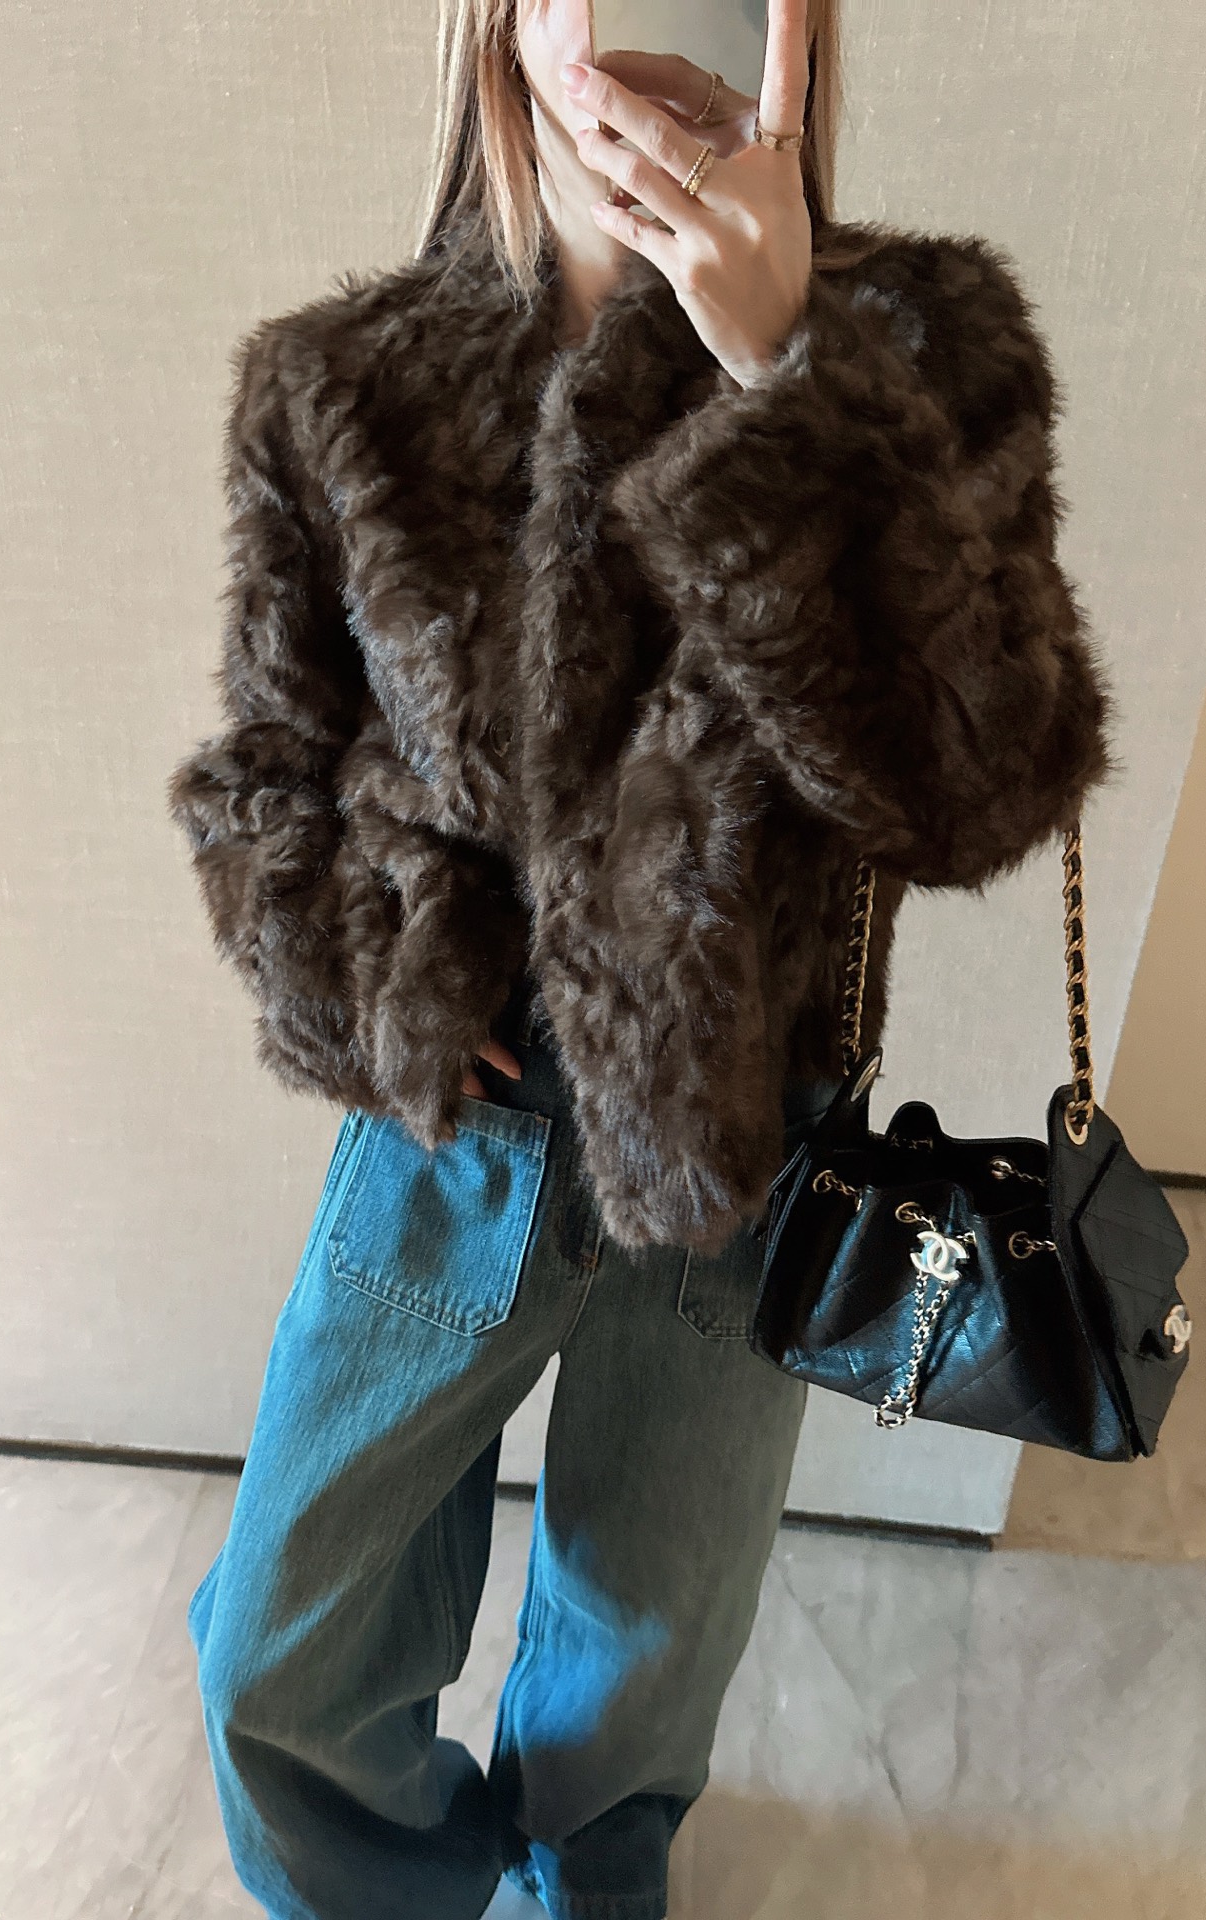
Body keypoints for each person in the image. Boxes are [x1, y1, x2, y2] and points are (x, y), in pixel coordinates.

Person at [168, 1, 1113, 1914]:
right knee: (284, 1653)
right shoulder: (340, 384)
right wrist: (374, 988)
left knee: (644, 1661)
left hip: (750, 1138)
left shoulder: (923, 346)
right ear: (506, 20)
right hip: (461, 1129)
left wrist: (790, 386)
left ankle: (585, 1893)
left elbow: (984, 780)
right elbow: (270, 772)